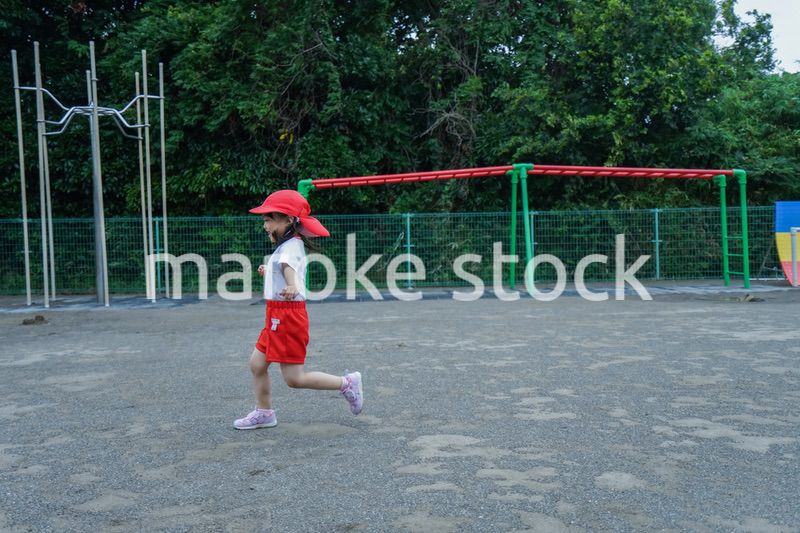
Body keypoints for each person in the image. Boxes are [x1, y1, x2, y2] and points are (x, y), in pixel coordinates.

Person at [234, 190, 363, 429]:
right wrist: (269, 270)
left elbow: (288, 268)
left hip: (287, 316)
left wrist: (292, 285)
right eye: (265, 220)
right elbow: (282, 267)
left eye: (269, 219)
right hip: (276, 314)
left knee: (294, 379)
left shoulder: (291, 247)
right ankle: (264, 412)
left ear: (288, 220)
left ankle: (346, 383)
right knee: (257, 364)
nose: (265, 225)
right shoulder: (287, 246)